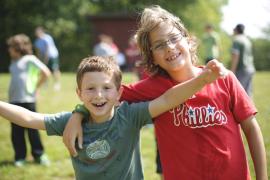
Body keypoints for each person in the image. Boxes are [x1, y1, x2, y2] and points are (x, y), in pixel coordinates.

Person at [63, 5, 268, 180]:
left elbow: (251, 128)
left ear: (188, 39)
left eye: (173, 38)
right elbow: (105, 96)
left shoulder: (224, 78)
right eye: (159, 45)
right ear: (151, 57)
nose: (169, 48)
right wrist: (78, 113)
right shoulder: (150, 88)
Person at [0, 55, 226, 179]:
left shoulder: (130, 116)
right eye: (90, 89)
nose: (99, 95)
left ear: (119, 93)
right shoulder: (69, 122)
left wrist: (202, 80)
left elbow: (167, 100)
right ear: (79, 94)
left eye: (106, 88)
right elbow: (28, 118)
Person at [6, 34, 51, 167]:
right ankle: (20, 157)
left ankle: (39, 155)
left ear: (18, 47)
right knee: (16, 131)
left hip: (27, 100)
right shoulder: (13, 62)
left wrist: (36, 88)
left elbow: (46, 72)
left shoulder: (29, 58)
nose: (9, 50)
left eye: (11, 47)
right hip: (13, 101)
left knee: (32, 128)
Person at [230, 24, 255, 97]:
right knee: (248, 93)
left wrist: (232, 70)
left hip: (242, 69)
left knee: (239, 93)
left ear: (236, 30)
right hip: (250, 68)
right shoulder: (247, 40)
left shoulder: (237, 40)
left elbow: (235, 56)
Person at [34, 26, 61, 91]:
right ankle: (45, 84)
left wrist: (45, 60)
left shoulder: (47, 38)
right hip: (44, 57)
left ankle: (57, 84)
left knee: (54, 69)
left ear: (42, 32)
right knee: (44, 70)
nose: (37, 34)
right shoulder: (37, 42)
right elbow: (39, 52)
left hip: (52, 56)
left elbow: (47, 51)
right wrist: (39, 61)